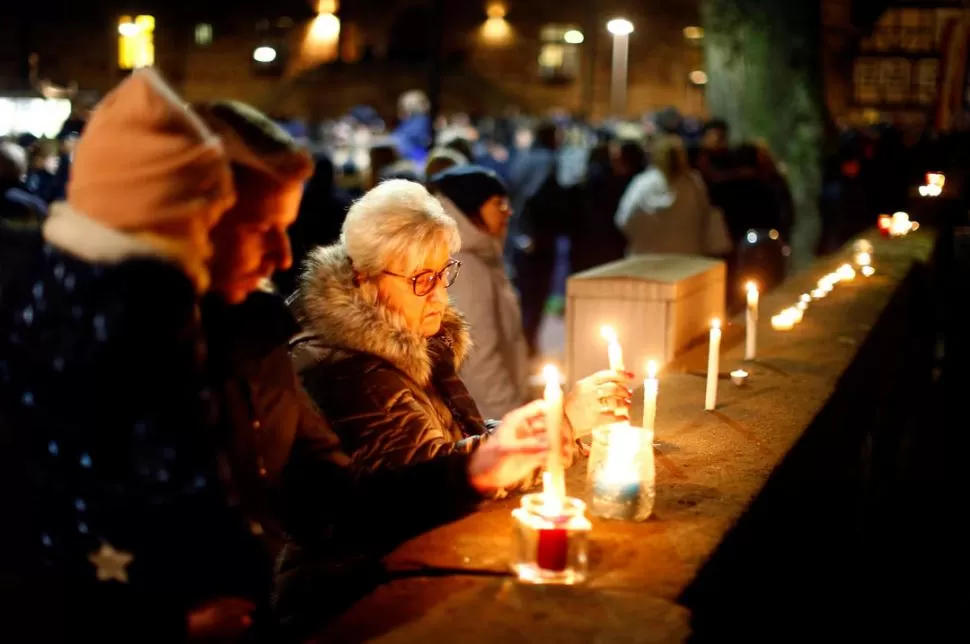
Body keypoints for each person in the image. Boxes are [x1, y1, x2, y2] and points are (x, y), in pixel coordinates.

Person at [189, 103, 562, 637]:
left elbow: (339, 496)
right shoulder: (96, 347)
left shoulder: (255, 340)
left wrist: (474, 469)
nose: (280, 255)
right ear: (190, 218)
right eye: (259, 227)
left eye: (285, 228)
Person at [0, 69, 269, 642]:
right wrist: (166, 620)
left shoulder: (52, 291)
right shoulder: (149, 306)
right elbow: (176, 471)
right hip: (152, 605)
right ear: (175, 213)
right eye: (211, 215)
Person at [429, 165, 530, 419]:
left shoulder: (481, 255)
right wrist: (508, 416)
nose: (508, 211)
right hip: (489, 415)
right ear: (471, 208)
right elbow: (479, 357)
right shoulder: (466, 266)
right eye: (498, 203)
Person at [615, 134, 733, 257]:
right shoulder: (693, 183)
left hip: (647, 261)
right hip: (687, 260)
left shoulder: (642, 184)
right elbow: (706, 218)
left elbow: (623, 220)